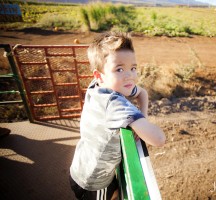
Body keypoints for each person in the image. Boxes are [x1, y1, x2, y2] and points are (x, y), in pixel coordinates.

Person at [69, 32, 166, 200]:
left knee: (116, 193)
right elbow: (158, 139)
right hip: (93, 180)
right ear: (99, 76)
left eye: (133, 68)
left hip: (82, 163)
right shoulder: (113, 103)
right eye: (119, 69)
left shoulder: (99, 86)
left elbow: (142, 92)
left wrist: (141, 116)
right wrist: (139, 121)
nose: (129, 75)